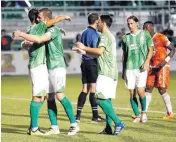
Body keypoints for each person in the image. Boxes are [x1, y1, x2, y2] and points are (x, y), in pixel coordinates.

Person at [13, 8, 79, 136]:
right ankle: (54, 127)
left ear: (46, 19)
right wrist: (26, 43)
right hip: (48, 67)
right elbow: (35, 38)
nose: (39, 19)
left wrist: (22, 37)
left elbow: (39, 39)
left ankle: (74, 124)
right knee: (49, 98)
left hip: (57, 66)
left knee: (59, 96)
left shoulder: (52, 30)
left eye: (41, 17)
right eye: (37, 17)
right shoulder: (44, 28)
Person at [73, 14, 125, 136]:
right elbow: (99, 55)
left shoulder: (104, 36)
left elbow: (99, 51)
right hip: (110, 72)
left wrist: (84, 46)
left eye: (100, 22)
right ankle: (108, 128)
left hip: (106, 72)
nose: (98, 23)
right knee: (107, 100)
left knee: (99, 99)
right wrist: (84, 51)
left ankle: (118, 123)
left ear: (104, 24)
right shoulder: (109, 36)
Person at [121, 15, 153, 123]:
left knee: (140, 91)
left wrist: (147, 62)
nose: (130, 26)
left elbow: (151, 50)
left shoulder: (145, 34)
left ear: (137, 23)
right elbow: (124, 55)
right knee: (131, 93)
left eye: (132, 23)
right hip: (130, 68)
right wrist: (124, 70)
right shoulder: (125, 38)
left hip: (141, 67)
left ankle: (144, 113)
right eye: (128, 24)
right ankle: (137, 115)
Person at [143, 21, 175, 120]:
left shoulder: (161, 37)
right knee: (148, 88)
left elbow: (173, 49)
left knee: (161, 89)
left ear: (152, 27)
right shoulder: (145, 39)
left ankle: (170, 113)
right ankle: (144, 113)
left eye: (146, 28)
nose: (144, 30)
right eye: (143, 28)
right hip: (152, 67)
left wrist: (164, 62)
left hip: (162, 67)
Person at [75, 13, 104, 123]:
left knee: (84, 89)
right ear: (96, 21)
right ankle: (95, 116)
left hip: (84, 63)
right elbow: (95, 50)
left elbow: (82, 47)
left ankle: (77, 116)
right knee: (93, 89)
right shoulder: (95, 34)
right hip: (92, 62)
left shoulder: (84, 32)